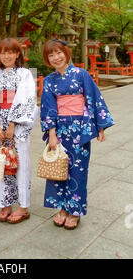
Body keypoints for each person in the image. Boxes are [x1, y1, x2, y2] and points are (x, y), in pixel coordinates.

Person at [40, 38, 114, 229]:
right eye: (51, 55)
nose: (56, 57)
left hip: (80, 128)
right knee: (58, 168)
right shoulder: (49, 80)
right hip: (60, 129)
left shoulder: (81, 74)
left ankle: (75, 211)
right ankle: (62, 207)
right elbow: (48, 107)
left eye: (58, 52)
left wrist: (99, 127)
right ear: (47, 59)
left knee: (78, 170)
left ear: (66, 53)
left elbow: (94, 98)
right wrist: (52, 134)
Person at [0, 38, 39, 224]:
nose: (6, 56)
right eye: (3, 52)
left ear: (18, 54)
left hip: (16, 124)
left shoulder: (25, 74)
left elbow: (27, 99)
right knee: (0, 163)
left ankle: (23, 206)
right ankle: (5, 202)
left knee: (20, 163)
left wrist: (12, 124)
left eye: (11, 52)